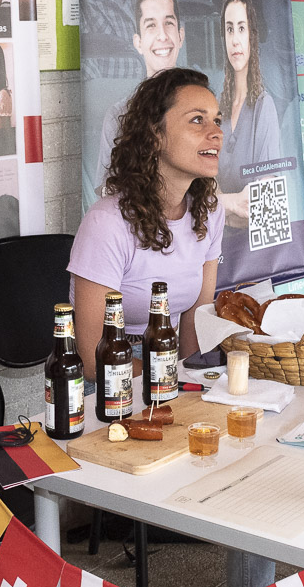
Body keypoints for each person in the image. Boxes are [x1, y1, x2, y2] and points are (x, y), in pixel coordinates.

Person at [69, 68, 222, 377]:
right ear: (155, 135)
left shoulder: (209, 211)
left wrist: (188, 382)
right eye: (197, 119)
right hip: (110, 376)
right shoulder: (106, 223)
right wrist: (168, 379)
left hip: (169, 359)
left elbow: (194, 323)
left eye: (217, 120)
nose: (216, 132)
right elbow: (90, 355)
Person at [85, 0, 185, 201]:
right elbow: (106, 191)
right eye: (151, 25)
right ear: (137, 42)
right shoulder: (118, 116)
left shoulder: (204, 107)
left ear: (181, 35)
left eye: (168, 23)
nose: (162, 35)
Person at [215, 0, 282, 232]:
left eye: (241, 28)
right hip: (215, 250)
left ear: (252, 35)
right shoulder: (216, 107)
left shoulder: (264, 109)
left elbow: (263, 208)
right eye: (229, 29)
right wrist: (234, 204)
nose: (235, 39)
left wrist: (221, 206)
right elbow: (202, 189)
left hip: (251, 256)